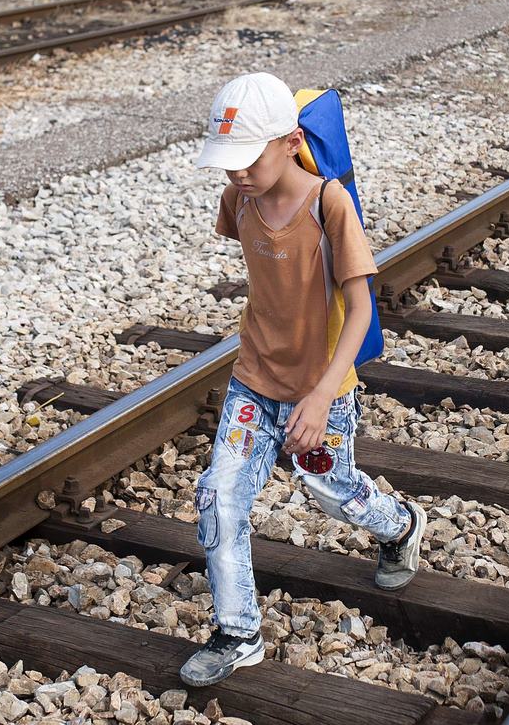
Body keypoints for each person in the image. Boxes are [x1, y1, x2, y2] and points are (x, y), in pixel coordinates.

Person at [180, 72, 427, 687]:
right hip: (252, 383)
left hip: (322, 393)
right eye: (228, 163)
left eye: (247, 159)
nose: (237, 174)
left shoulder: (329, 204)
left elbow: (364, 307)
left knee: (332, 493)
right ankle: (238, 632)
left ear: (290, 142)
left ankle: (401, 524)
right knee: (220, 497)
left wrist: (320, 394)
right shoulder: (240, 198)